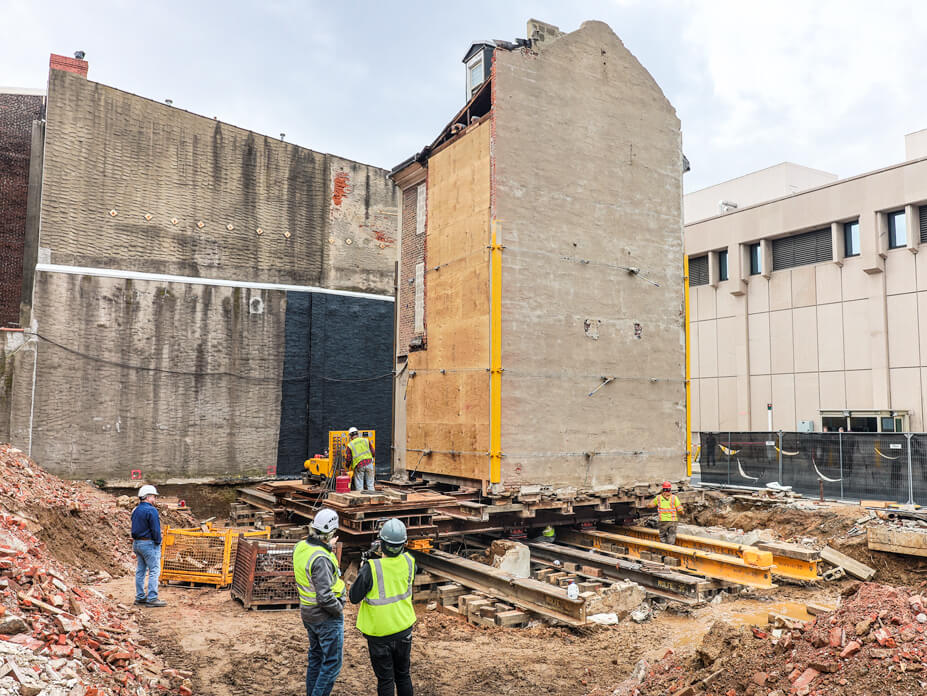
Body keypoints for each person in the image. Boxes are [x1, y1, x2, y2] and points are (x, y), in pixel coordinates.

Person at [349, 518, 416, 696]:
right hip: (403, 629)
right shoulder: (410, 562)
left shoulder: (371, 568)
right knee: (403, 676)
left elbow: (354, 597)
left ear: (381, 543)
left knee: (386, 680)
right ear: (404, 543)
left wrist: (364, 568)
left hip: (379, 634)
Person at [294, 508, 346, 696]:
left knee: (316, 657)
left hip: (308, 614)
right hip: (325, 617)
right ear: (331, 533)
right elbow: (324, 596)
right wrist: (338, 609)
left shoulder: (302, 547)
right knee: (332, 664)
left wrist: (327, 545)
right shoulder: (321, 558)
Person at [131, 484, 166, 607]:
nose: (155, 499)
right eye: (153, 497)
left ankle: (140, 597)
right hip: (149, 544)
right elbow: (155, 530)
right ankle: (152, 598)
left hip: (137, 544)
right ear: (148, 497)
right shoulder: (151, 510)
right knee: (154, 570)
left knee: (140, 570)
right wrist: (158, 542)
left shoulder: (136, 510)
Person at [346, 427, 376, 491]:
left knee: (359, 485)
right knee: (370, 484)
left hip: (359, 465)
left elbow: (349, 458)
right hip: (369, 463)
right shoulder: (366, 440)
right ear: (358, 434)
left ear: (350, 436)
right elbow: (373, 452)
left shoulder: (350, 445)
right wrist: (371, 458)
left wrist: (347, 466)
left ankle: (361, 498)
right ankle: (373, 496)